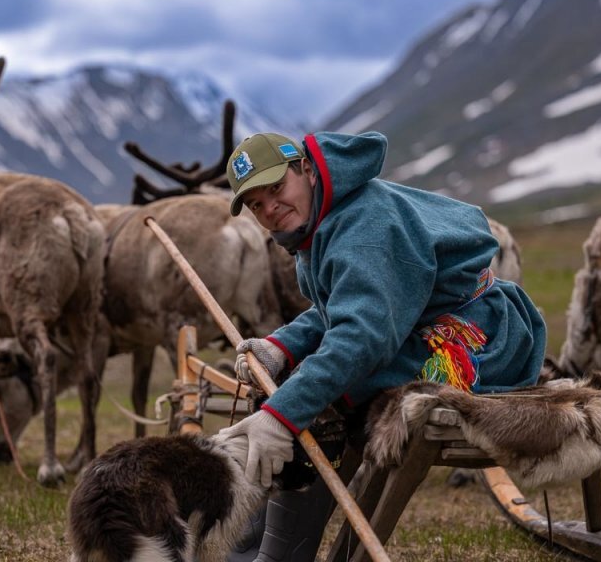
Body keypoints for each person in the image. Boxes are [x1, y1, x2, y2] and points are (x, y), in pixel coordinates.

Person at [219, 131, 547, 562]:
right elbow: (339, 308)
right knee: (302, 387)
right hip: (415, 326)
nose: (270, 209)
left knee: (322, 404)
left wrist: (280, 416)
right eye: (257, 205)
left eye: (276, 189)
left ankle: (277, 556)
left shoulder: (364, 228)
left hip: (477, 339)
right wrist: (280, 347)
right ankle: (244, 550)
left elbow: (362, 336)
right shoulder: (321, 223)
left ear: (307, 171)